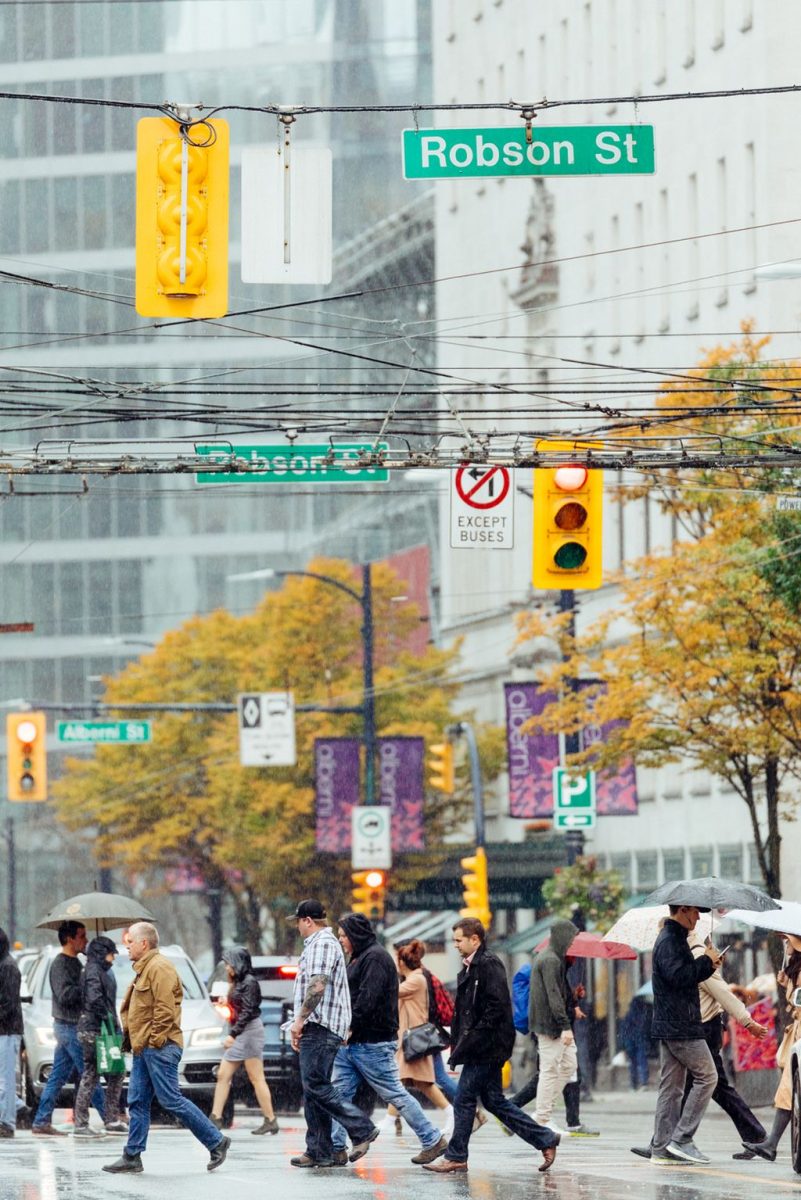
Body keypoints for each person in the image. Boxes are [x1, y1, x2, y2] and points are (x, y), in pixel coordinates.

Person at [422, 918, 558, 1175]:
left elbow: (496, 1007)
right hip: (480, 1045)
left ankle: (456, 1156)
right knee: (494, 1102)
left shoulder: (488, 964)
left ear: (475, 939)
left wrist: (473, 1035)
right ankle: (545, 1139)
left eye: (459, 940)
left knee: (463, 1098)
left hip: (487, 1046)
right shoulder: (471, 966)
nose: (456, 945)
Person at [102, 922, 230, 1175]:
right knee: (137, 1101)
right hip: (144, 1048)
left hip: (158, 1047)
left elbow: (165, 1010)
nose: (127, 947)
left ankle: (216, 1141)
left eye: (131, 942)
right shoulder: (145, 968)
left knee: (171, 1099)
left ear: (144, 943)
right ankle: (132, 1155)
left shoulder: (160, 968)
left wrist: (155, 1040)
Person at [329, 915, 447, 1165]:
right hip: (353, 1042)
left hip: (371, 1042)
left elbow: (367, 999)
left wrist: (350, 1026)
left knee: (394, 1093)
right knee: (339, 1095)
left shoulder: (375, 958)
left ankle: (432, 1139)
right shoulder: (360, 956)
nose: (340, 939)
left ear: (356, 934)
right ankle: (336, 1147)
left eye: (343, 935)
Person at [287, 899, 379, 1168]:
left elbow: (317, 986)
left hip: (321, 1025)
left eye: (298, 922)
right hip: (318, 1025)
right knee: (313, 1088)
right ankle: (319, 1150)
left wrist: (300, 1020)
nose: (297, 928)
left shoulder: (322, 944)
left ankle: (361, 1128)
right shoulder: (320, 944)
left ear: (307, 921)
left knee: (317, 1085)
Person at [645, 904, 721, 1165]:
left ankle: (662, 1147)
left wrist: (708, 965)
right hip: (680, 1024)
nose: (699, 917)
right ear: (684, 910)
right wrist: (705, 960)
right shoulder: (670, 941)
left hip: (673, 1022)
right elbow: (679, 977)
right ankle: (682, 1140)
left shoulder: (676, 939)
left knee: (672, 1087)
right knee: (708, 1076)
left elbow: (684, 976)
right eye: (696, 912)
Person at [507, 947, 597, 1136]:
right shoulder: (552, 968)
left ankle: (537, 1116)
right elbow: (552, 1002)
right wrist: (567, 1021)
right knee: (548, 1074)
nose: (574, 959)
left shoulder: (558, 970)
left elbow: (558, 999)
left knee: (566, 1069)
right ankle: (527, 1115)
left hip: (555, 1028)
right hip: (551, 1029)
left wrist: (573, 999)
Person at [32, 921, 105, 1136]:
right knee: (89, 1073)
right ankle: (110, 1116)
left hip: (70, 1026)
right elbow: (65, 996)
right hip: (68, 1026)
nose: (85, 940)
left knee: (58, 1077)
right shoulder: (61, 964)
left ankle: (41, 1120)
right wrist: (85, 984)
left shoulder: (78, 963)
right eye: (81, 936)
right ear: (69, 939)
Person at [742, 932, 801, 1162]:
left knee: (789, 1090)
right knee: (789, 1090)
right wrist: (785, 981)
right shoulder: (793, 970)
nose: (785, 945)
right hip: (795, 1038)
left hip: (799, 1035)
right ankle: (771, 1143)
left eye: (789, 942)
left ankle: (771, 1143)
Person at [209, 946, 278, 1135]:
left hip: (248, 1033)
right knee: (230, 1075)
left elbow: (247, 1012)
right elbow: (241, 1008)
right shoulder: (241, 982)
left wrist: (233, 1034)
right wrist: (227, 1002)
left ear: (237, 963)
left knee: (252, 1077)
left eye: (229, 964)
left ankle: (217, 1117)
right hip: (245, 1032)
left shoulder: (249, 982)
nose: (227, 969)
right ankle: (216, 1117)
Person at [529, 918, 585, 1133]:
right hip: (550, 1026)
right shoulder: (551, 960)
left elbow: (558, 993)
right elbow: (553, 995)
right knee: (549, 1070)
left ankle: (542, 1113)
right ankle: (542, 1118)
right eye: (571, 937)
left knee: (569, 1065)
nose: (572, 942)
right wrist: (565, 1026)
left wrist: (573, 999)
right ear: (561, 936)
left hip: (554, 1023)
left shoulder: (555, 959)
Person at [74, 935, 127, 1137]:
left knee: (109, 1072)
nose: (113, 957)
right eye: (111, 953)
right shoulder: (93, 971)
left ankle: (108, 1119)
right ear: (102, 953)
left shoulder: (97, 970)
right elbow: (95, 999)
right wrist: (109, 1018)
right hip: (95, 1030)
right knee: (96, 1073)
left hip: (97, 1028)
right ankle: (88, 1122)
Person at [396, 941, 453, 1126]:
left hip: (419, 1036)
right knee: (417, 1081)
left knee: (429, 1079)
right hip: (419, 1034)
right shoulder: (419, 976)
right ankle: (461, 1111)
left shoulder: (417, 979)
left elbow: (390, 992)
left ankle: (465, 1109)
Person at [0, 926, 25, 1137]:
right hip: (4, 1030)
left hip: (7, 1031)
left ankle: (7, 1122)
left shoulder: (7, 967)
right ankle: (13, 1108)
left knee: (6, 1079)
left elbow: (7, 1004)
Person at [620, 992, 652, 1091]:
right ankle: (644, 1082)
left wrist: (623, 1045)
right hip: (640, 1040)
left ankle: (634, 1084)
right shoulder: (643, 1014)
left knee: (632, 1062)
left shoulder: (629, 1014)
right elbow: (645, 1028)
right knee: (642, 1060)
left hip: (631, 1041)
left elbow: (624, 1030)